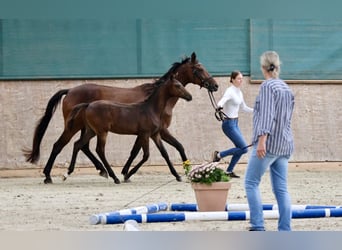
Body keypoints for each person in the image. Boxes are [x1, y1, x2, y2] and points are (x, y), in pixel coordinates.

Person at [244, 51, 295, 231]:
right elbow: (286, 118)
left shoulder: (267, 87)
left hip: (269, 145)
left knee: (250, 183)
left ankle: (258, 226)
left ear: (263, 67)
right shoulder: (285, 87)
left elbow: (267, 116)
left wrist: (261, 141)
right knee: (281, 189)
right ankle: (285, 229)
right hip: (285, 144)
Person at [212, 70, 253, 178]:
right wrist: (219, 106)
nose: (241, 80)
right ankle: (219, 155)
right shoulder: (229, 91)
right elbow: (222, 100)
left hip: (235, 123)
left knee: (240, 149)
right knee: (244, 148)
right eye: (239, 78)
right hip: (228, 124)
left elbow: (244, 108)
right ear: (233, 79)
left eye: (242, 78)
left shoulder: (239, 92)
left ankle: (229, 171)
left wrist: (256, 110)